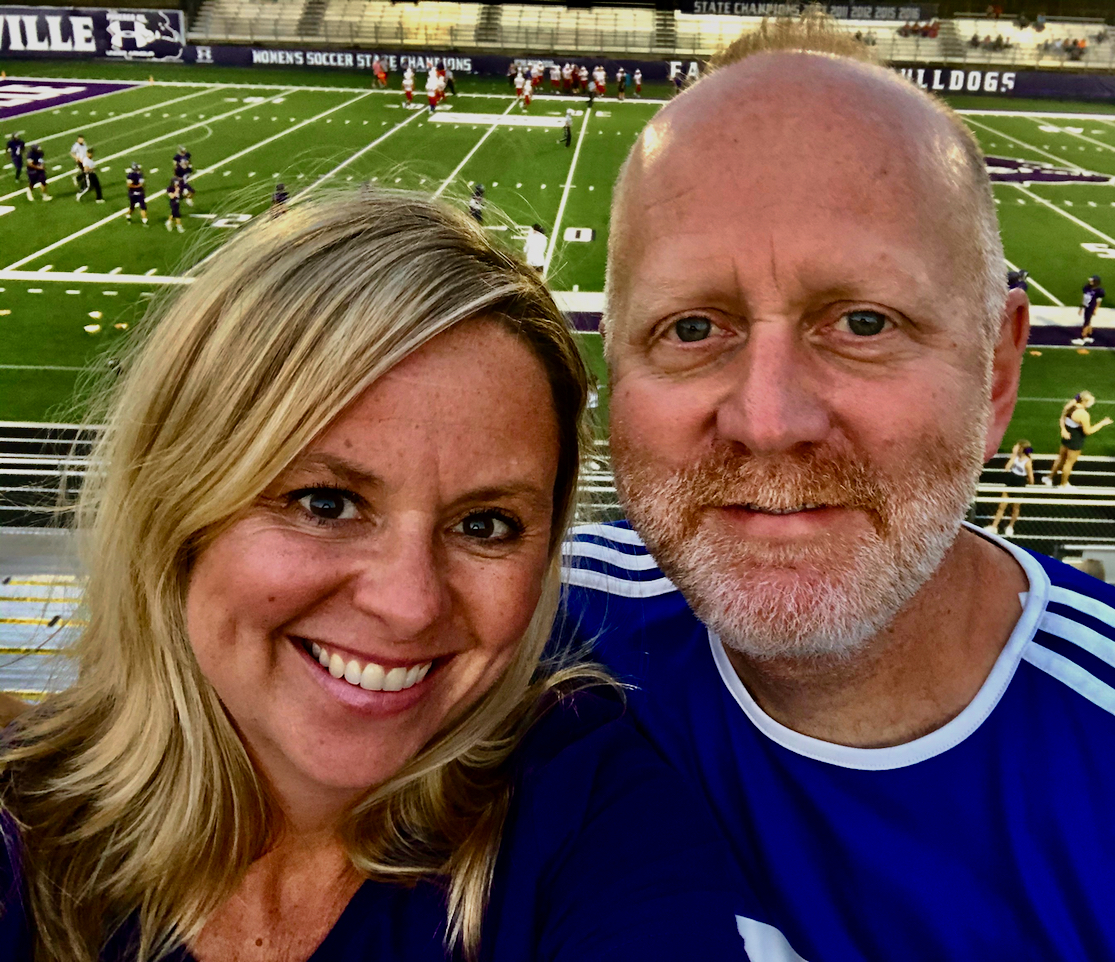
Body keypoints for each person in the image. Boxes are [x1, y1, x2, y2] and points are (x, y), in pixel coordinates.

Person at [563, 13, 1115, 960]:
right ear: (613, 373)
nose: (768, 420)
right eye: (692, 329)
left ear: (995, 373)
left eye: (862, 321)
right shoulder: (518, 640)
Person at [0, 192, 751, 962]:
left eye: (485, 524)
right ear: (178, 505)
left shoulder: (585, 813)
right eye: (326, 503)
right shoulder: (21, 825)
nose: (408, 603)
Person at [1044, 391, 1112, 487]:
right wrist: (1101, 424)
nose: (1091, 403)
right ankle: (1063, 484)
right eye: (1090, 401)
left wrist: (1063, 429)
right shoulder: (1083, 414)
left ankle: (1049, 478)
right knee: (1069, 463)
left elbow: (1062, 418)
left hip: (1066, 436)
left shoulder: (1070, 406)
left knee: (1060, 458)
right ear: (1084, 401)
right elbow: (1087, 431)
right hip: (1075, 440)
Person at [984, 439, 1033, 537]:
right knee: (1002, 505)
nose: (1014, 447)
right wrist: (1013, 456)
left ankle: (1010, 526)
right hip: (1011, 481)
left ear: (1021, 449)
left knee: (1015, 507)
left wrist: (1027, 484)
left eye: (1016, 446)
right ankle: (994, 526)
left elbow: (1031, 478)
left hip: (1019, 483)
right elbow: (1007, 468)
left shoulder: (1028, 462)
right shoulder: (1015, 457)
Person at [1071, 274, 1103, 345]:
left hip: (1091, 307)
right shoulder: (1087, 288)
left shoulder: (1098, 291)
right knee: (1088, 321)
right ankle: (1088, 336)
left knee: (1086, 322)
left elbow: (1099, 301)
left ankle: (1082, 338)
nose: (1090, 282)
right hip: (1087, 306)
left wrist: (1095, 309)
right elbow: (1084, 298)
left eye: (1092, 281)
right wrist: (1081, 308)